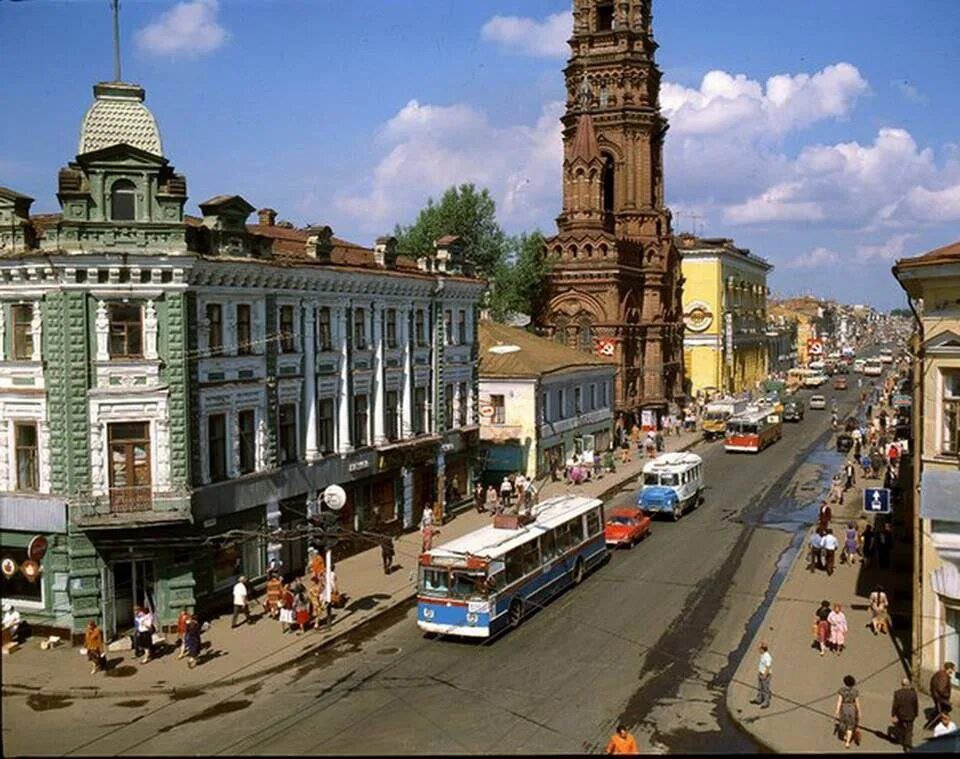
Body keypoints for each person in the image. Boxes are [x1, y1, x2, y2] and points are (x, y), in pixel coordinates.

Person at [890, 677, 919, 751]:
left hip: (900, 715)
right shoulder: (913, 694)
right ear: (908, 685)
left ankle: (901, 738)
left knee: (900, 726)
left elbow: (895, 705)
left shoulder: (897, 693)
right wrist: (916, 714)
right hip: (910, 715)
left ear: (901, 684)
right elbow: (916, 705)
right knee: (909, 731)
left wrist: (893, 715)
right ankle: (907, 745)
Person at [926, 662, 956, 729]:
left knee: (939, 711)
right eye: (952, 669)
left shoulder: (939, 673)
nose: (953, 672)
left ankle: (934, 724)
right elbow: (941, 689)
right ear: (949, 669)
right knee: (942, 712)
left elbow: (933, 682)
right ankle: (929, 726)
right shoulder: (944, 676)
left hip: (936, 696)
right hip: (941, 698)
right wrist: (947, 695)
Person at [835, 674, 862, 748]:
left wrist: (837, 711)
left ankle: (844, 735)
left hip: (844, 708)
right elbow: (857, 703)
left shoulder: (842, 690)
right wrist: (859, 711)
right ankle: (847, 742)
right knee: (850, 726)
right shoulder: (855, 691)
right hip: (852, 709)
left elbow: (839, 701)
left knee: (843, 723)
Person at [751, 642, 773, 709]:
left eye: (759, 648)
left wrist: (764, 675)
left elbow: (768, 667)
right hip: (760, 673)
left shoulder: (767, 657)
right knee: (760, 687)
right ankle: (759, 699)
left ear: (762, 649)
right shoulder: (762, 655)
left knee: (765, 689)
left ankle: (766, 702)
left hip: (765, 675)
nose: (758, 650)